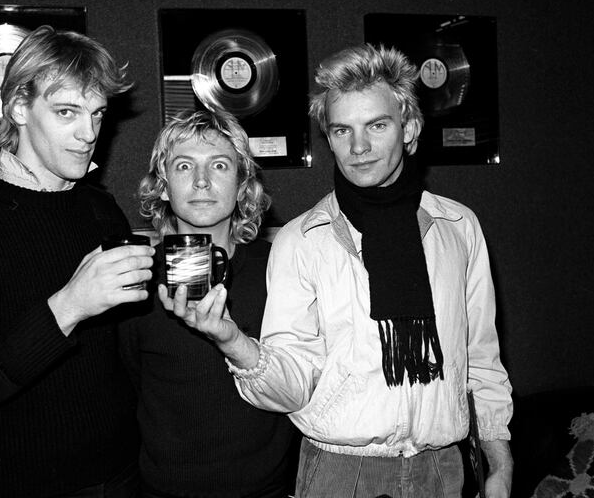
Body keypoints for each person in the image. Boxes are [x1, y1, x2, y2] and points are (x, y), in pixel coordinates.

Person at [167, 44, 514, 498]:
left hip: (443, 471)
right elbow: (291, 386)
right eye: (342, 130)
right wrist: (232, 341)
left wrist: (500, 462)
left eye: (377, 125)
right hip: (338, 474)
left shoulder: (459, 226)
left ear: (409, 128)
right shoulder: (302, 239)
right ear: (328, 139)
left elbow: (481, 360)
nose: (360, 146)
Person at [0, 25, 154, 498]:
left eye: (97, 114)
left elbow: (122, 350)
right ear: (19, 107)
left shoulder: (98, 207)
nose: (89, 135)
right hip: (27, 483)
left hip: (128, 471)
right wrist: (67, 307)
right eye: (67, 112)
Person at [117, 109, 298, 497]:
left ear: (242, 183)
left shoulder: (282, 267)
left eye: (218, 165)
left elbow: (301, 383)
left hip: (267, 490)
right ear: (163, 186)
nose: (201, 182)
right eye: (184, 166)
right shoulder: (134, 277)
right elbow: (126, 392)